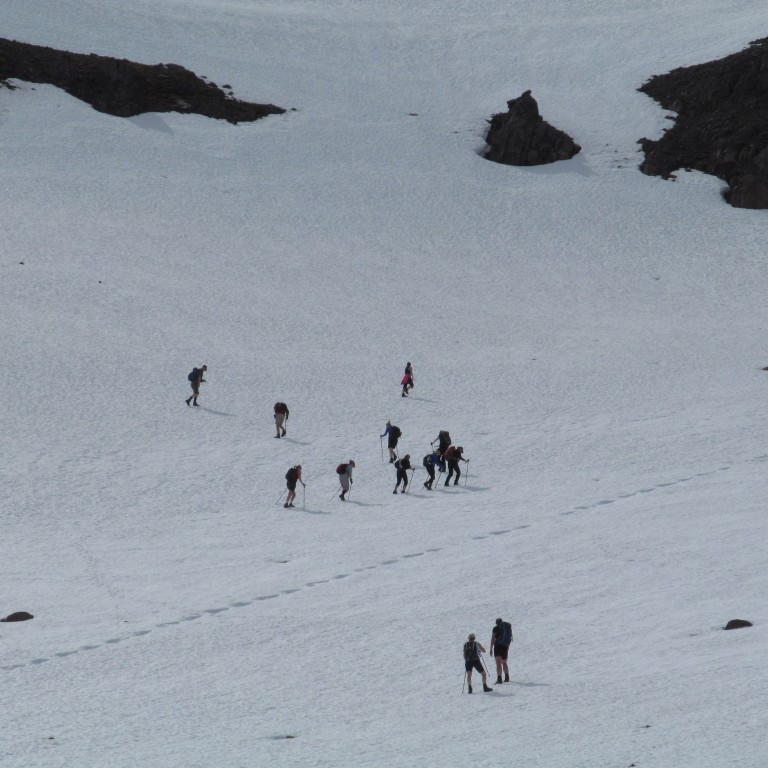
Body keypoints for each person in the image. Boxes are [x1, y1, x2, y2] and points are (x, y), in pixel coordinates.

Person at [489, 617, 513, 684]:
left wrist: (491, 648)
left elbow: (492, 639)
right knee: (504, 662)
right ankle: (507, 677)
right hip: (505, 646)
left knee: (498, 663)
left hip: (498, 646)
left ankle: (499, 679)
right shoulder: (507, 626)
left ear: (496, 623)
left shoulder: (495, 628)